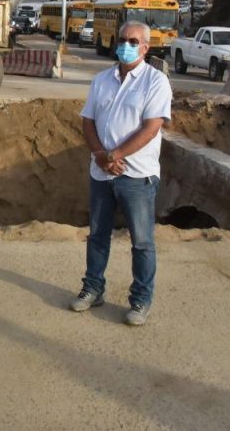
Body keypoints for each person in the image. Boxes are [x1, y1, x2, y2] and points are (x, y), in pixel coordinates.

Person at [70, 21, 172, 326]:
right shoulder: (102, 79)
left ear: (145, 47)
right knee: (97, 236)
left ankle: (140, 301)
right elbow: (88, 122)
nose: (125, 45)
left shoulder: (155, 82)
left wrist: (115, 155)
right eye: (122, 39)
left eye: (133, 41)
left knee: (142, 242)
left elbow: (152, 126)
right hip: (101, 173)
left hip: (136, 176)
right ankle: (93, 289)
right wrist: (101, 156)